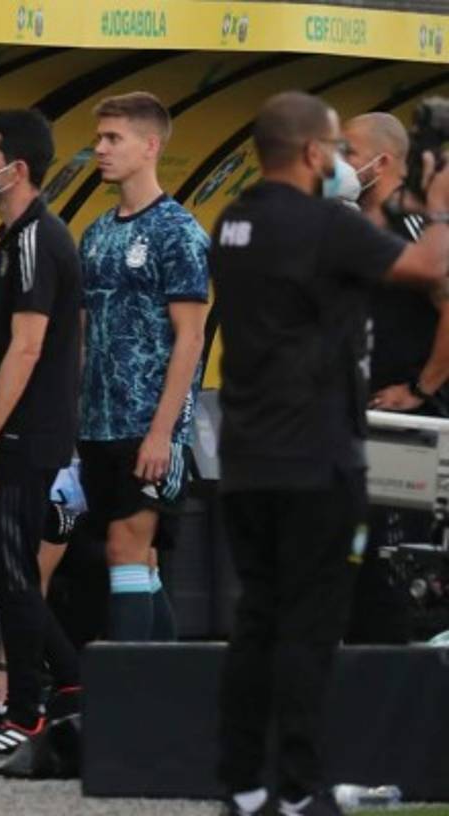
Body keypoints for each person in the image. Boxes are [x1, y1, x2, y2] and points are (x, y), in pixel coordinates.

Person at [212, 91, 449, 816]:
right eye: (337, 150)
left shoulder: (232, 220)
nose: (346, 163)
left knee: (255, 622)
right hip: (316, 460)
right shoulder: (324, 226)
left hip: (246, 459)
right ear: (314, 154)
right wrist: (439, 200)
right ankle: (297, 789)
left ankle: (245, 787)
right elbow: (427, 266)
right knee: (309, 630)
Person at [0, 109, 82, 758]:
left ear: (15, 168)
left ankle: (25, 712)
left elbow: (26, 350)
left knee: (12, 567)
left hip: (21, 437)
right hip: (16, 432)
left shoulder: (35, 239)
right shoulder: (12, 239)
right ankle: (76, 681)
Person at [77, 92, 209, 642]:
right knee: (139, 561)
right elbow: (85, 334)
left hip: (149, 427)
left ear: (150, 146)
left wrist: (162, 432)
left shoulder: (178, 232)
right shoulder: (97, 232)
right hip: (98, 423)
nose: (100, 149)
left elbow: (192, 337)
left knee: (124, 550)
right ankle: (171, 689)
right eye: (99, 138)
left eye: (114, 138)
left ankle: (128, 697)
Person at [341, 113, 449, 416]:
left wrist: (419, 390)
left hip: (409, 421)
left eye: (347, 153)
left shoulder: (421, 227)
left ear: (381, 163)